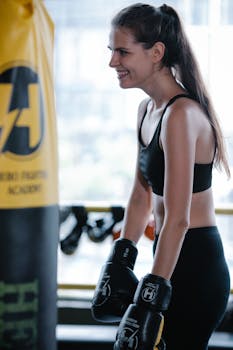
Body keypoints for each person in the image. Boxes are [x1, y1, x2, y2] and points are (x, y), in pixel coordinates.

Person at [91, 3, 231, 350]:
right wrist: (122, 255)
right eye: (112, 51)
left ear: (156, 53)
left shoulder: (181, 114)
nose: (113, 62)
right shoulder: (147, 110)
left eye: (122, 52)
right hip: (167, 256)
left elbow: (179, 218)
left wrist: (150, 295)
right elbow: (141, 197)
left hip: (195, 262)